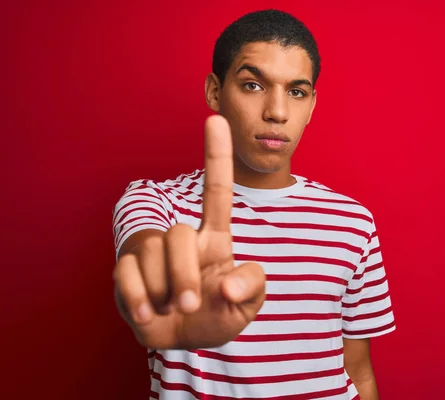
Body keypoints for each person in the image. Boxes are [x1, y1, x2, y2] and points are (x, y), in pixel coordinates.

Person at [112, 9, 395, 399]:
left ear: (311, 105)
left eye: (296, 92)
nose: (277, 112)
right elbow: (144, 251)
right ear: (215, 91)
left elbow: (358, 372)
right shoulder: (157, 201)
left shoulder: (353, 222)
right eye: (252, 85)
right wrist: (166, 285)